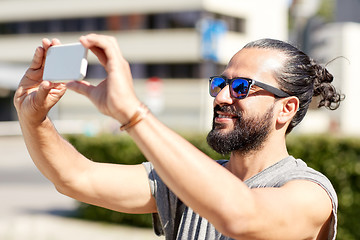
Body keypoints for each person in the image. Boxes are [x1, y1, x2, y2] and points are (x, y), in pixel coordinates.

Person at [14, 34, 343, 240]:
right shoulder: (188, 180)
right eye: (220, 83)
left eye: (241, 87)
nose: (222, 97)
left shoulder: (310, 193)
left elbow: (241, 216)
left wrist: (132, 112)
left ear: (286, 109)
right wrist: (33, 118)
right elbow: (75, 178)